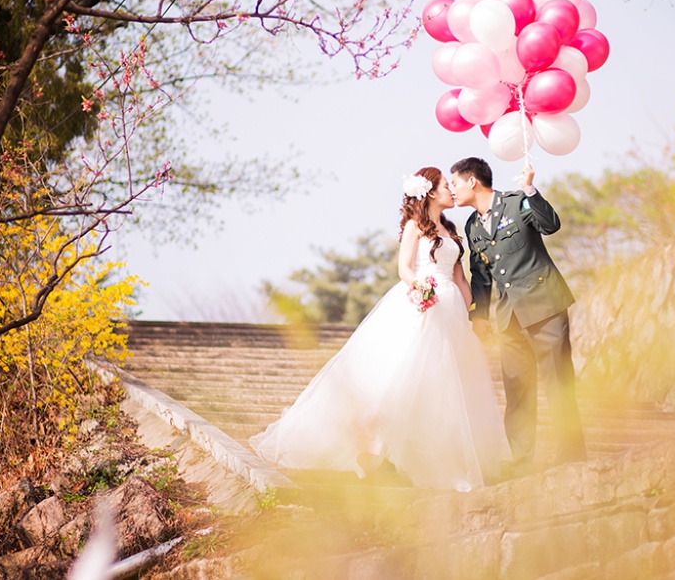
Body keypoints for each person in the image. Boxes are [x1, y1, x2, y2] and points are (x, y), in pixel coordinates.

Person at [249, 167, 509, 491]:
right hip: (424, 303)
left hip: (452, 306)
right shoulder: (416, 226)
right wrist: (421, 290)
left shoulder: (452, 229)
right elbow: (404, 268)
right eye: (445, 186)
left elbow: (459, 278)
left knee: (451, 386)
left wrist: (473, 314)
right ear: (430, 192)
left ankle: (442, 459)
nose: (450, 191)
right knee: (406, 377)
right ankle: (373, 452)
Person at [450, 157, 586, 473]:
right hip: (509, 317)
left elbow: (550, 225)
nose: (453, 190)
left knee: (557, 383)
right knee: (517, 391)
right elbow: (480, 273)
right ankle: (523, 461)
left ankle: (572, 456)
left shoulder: (517, 202)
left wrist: (530, 189)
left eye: (454, 182)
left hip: (545, 305)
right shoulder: (472, 226)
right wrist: (479, 315)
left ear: (472, 181)